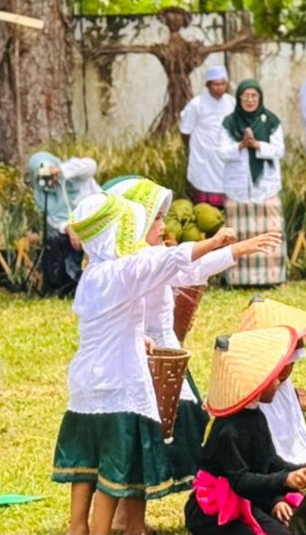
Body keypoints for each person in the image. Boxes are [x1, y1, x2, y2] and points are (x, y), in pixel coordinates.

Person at [51, 192, 235, 535]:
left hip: (85, 385)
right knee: (114, 469)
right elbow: (167, 260)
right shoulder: (123, 271)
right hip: (118, 384)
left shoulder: (91, 274)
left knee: (86, 461)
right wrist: (213, 243)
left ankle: (77, 527)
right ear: (114, 232)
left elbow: (107, 325)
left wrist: (140, 339)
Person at [104, 176, 283, 480]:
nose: (163, 225)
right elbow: (184, 263)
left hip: (166, 357)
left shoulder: (147, 256)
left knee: (179, 425)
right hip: (149, 358)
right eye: (156, 218)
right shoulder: (137, 260)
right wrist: (223, 246)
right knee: (159, 432)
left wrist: (236, 251)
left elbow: (188, 270)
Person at [184, 326, 306, 535]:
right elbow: (240, 481)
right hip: (213, 512)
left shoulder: (256, 416)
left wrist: (302, 472)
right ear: (256, 384)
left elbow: (268, 462)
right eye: (273, 377)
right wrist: (285, 480)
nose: (279, 381)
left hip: (249, 498)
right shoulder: (229, 429)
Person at [218, 80, 287, 286]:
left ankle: (272, 278)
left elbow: (279, 150)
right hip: (237, 188)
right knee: (238, 234)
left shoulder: (271, 120)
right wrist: (241, 145)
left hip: (266, 187)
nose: (249, 100)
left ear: (260, 98)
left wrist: (256, 144)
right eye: (245, 96)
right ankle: (238, 279)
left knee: (269, 231)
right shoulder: (229, 122)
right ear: (239, 98)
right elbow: (222, 152)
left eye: (254, 96)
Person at [27, 151, 101, 297]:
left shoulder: (75, 175)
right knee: (54, 239)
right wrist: (69, 228)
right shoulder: (43, 194)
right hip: (73, 231)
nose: (50, 180)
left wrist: (60, 170)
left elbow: (91, 166)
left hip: (96, 220)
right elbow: (54, 220)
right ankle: (68, 285)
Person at [180, 66, 236, 209]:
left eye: (223, 84)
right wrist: (194, 149)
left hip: (225, 157)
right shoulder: (196, 104)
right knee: (205, 202)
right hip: (204, 159)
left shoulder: (232, 102)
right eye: (216, 84)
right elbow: (185, 131)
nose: (220, 87)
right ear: (208, 85)